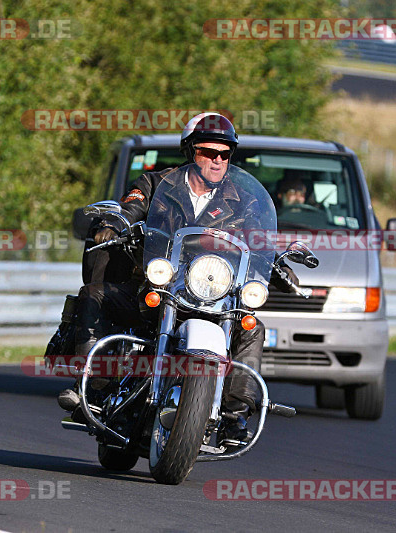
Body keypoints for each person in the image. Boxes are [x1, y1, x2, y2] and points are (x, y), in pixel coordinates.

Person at [58, 113, 297, 443]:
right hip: (158, 287)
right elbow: (132, 207)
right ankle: (92, 390)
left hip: (213, 293)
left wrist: (277, 261)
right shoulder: (155, 185)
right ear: (190, 152)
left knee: (252, 328)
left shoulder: (246, 202)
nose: (216, 160)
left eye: (224, 154)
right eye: (207, 152)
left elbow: (260, 239)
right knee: (94, 295)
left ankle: (234, 417)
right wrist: (115, 222)